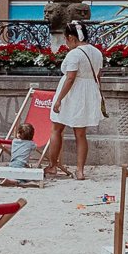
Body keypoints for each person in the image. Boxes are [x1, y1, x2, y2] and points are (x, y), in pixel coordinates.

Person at [44, 21, 104, 180]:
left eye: (65, 39)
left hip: (72, 93)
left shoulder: (74, 54)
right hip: (87, 93)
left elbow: (70, 78)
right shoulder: (97, 52)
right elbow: (98, 76)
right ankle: (80, 171)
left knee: (56, 129)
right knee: (81, 134)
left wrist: (59, 100)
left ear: (71, 38)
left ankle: (52, 166)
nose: (65, 42)